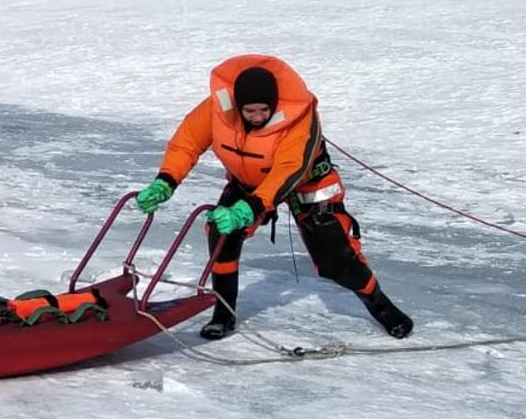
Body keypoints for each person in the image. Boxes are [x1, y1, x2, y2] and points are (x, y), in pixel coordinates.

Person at [135, 54, 414, 341]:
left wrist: (250, 208)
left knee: (336, 259)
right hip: (250, 181)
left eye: (263, 110)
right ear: (238, 106)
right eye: (249, 111)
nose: (257, 117)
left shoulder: (298, 119)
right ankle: (224, 313)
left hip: (305, 181)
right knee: (221, 234)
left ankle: (381, 306)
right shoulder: (217, 111)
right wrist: (165, 182)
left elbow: (286, 172)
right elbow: (186, 144)